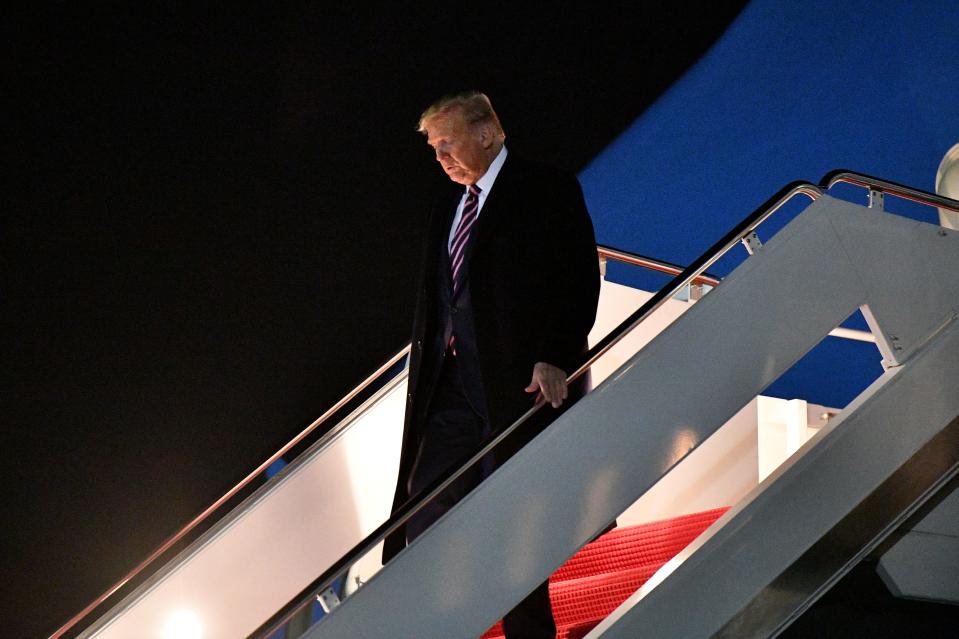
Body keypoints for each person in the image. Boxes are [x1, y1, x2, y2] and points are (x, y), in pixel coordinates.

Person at [383, 91, 600, 638]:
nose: (441, 159)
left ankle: (530, 633)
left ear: (487, 133)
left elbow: (577, 279)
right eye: (433, 149)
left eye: (447, 144)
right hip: (450, 386)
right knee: (425, 505)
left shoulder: (547, 188)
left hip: (518, 383)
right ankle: (438, 623)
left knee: (518, 519)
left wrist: (556, 355)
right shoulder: (447, 204)